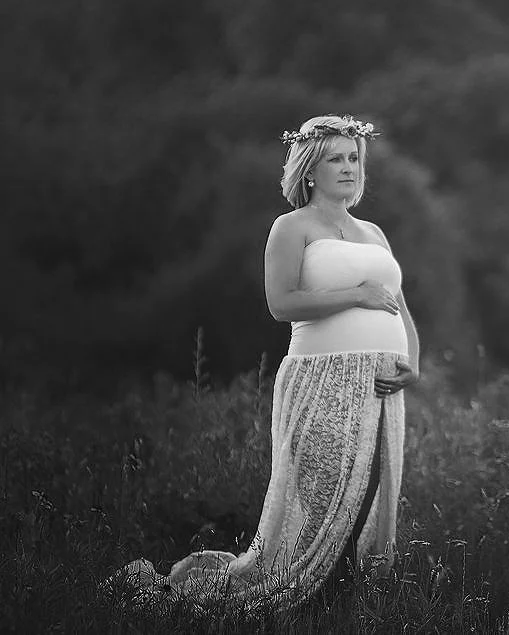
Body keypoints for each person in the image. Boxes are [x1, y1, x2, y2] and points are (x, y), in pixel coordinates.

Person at [102, 114, 420, 615]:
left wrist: (412, 364)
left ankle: (343, 605)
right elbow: (282, 303)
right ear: (310, 170)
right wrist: (355, 294)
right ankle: (294, 600)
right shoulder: (292, 226)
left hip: (383, 386)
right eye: (334, 158)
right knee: (324, 503)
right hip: (323, 379)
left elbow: (399, 306)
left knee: (365, 506)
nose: (348, 167)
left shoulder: (374, 233)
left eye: (354, 158)